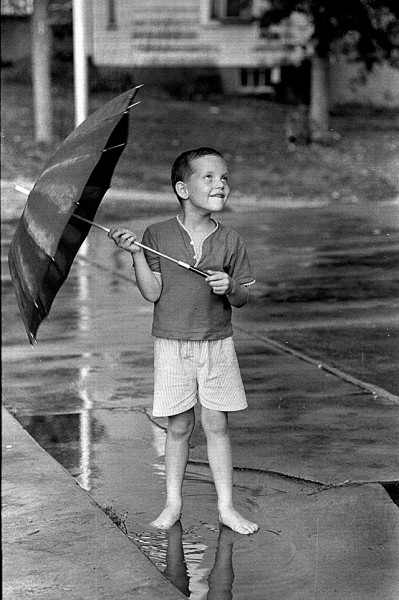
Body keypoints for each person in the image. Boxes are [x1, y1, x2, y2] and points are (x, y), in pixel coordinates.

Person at [108, 147, 259, 535]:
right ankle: (173, 503)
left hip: (216, 342)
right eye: (208, 177)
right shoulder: (156, 235)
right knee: (178, 426)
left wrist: (230, 287)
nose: (220, 184)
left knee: (217, 425)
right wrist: (136, 255)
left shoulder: (230, 240)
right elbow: (153, 293)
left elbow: (243, 296)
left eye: (224, 177)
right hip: (172, 343)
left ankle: (226, 506)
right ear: (182, 188)